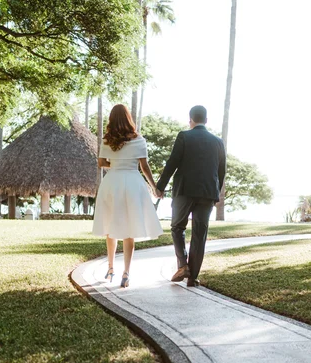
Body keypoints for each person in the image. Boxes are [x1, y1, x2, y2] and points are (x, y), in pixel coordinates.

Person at [92, 104, 164, 288]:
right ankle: (126, 273)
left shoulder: (107, 140)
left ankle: (110, 268)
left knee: (111, 225)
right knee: (129, 228)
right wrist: (154, 187)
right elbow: (144, 167)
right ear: (128, 118)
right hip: (133, 182)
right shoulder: (139, 139)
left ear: (111, 119)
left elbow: (101, 162)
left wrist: (116, 163)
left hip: (112, 182)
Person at [155, 105, 226, 287]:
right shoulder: (218, 142)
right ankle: (192, 277)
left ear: (190, 120)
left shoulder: (184, 136)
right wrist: (215, 192)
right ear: (206, 120)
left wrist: (160, 186)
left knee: (177, 227)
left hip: (185, 191)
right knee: (199, 234)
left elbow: (172, 163)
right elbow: (221, 172)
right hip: (208, 193)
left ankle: (183, 265)